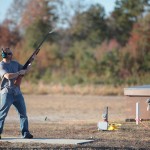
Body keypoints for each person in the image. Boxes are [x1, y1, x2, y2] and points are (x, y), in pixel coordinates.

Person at [0, 47, 33, 139]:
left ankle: (25, 133)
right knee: (2, 114)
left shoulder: (15, 63)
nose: (12, 55)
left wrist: (30, 62)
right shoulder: (1, 65)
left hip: (17, 92)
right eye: (10, 53)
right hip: (6, 93)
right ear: (4, 55)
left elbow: (25, 70)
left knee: (23, 114)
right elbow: (7, 76)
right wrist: (19, 72)